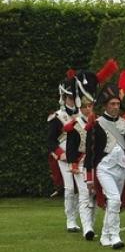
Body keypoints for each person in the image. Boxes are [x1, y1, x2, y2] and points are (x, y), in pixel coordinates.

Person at [85, 70, 125, 250]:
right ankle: (115, 235)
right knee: (114, 200)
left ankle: (105, 235)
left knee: (115, 201)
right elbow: (90, 153)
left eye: (117, 103)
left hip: (121, 168)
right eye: (112, 103)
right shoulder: (96, 124)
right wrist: (89, 178)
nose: (115, 106)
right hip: (104, 167)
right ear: (105, 105)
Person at [64, 70, 98, 241]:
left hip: (95, 162)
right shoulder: (74, 125)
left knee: (94, 194)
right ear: (80, 107)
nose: (87, 109)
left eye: (90, 106)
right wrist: (72, 164)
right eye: (85, 106)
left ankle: (91, 222)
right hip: (80, 162)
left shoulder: (98, 121)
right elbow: (70, 148)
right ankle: (87, 228)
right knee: (84, 193)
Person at [47, 71, 83, 233]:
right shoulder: (57, 116)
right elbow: (51, 140)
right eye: (70, 97)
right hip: (64, 156)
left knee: (82, 188)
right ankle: (70, 219)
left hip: (80, 155)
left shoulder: (82, 114)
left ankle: (83, 218)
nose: (73, 100)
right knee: (69, 188)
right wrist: (60, 154)